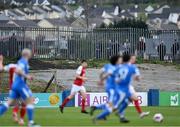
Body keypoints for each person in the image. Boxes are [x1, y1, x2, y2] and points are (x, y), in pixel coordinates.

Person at [0, 48, 40, 127]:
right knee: (30, 101)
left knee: (8, 103)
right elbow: (18, 70)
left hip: (13, 86)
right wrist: (27, 76)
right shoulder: (23, 61)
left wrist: (1, 61)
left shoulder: (15, 64)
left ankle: (20, 117)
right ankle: (30, 123)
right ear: (28, 54)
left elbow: (1, 69)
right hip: (20, 85)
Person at [117, 55, 149, 123]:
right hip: (124, 86)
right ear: (130, 59)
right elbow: (137, 78)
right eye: (133, 58)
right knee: (125, 101)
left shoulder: (122, 66)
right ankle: (121, 115)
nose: (135, 60)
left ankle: (140, 113)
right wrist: (139, 78)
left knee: (135, 98)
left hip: (127, 86)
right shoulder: (132, 67)